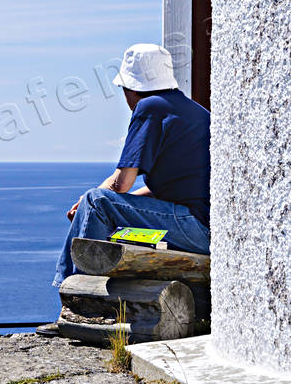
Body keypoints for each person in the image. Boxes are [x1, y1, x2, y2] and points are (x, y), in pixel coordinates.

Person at [37, 43, 211, 337]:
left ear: (131, 88)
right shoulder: (194, 112)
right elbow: (159, 193)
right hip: (204, 227)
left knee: (96, 201)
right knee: (99, 203)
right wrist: (109, 203)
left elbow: (121, 184)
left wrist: (88, 202)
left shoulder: (150, 107)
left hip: (196, 226)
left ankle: (76, 303)